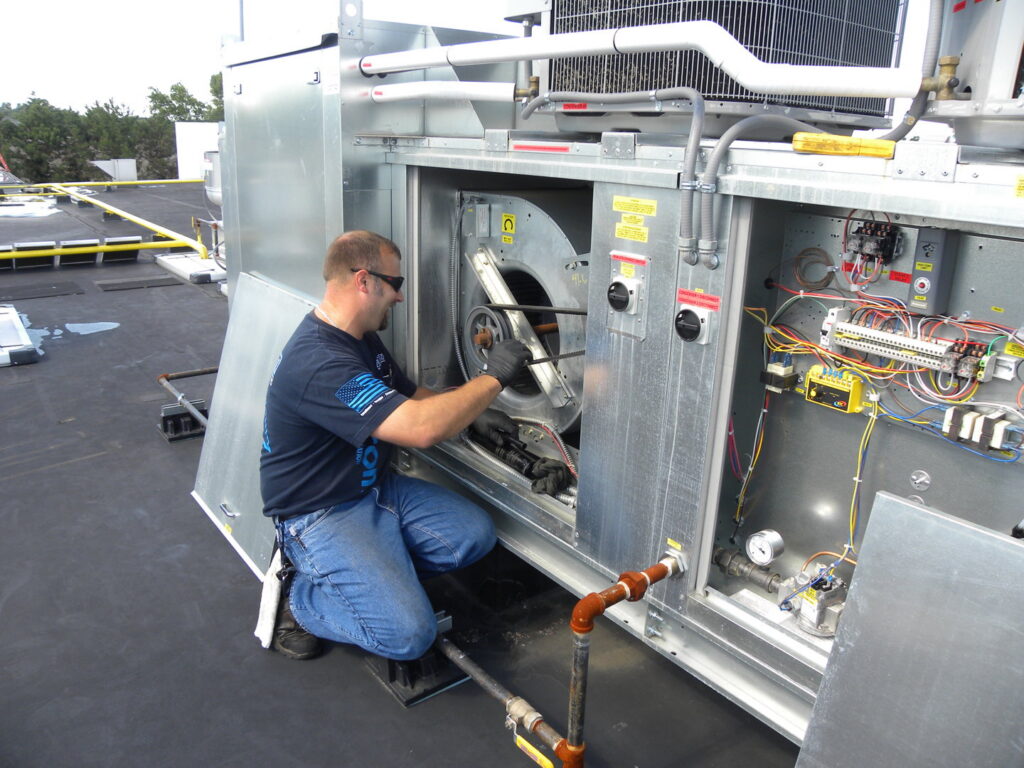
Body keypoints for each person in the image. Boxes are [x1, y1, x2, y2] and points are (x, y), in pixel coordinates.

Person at [259, 230, 531, 660]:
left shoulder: (359, 337)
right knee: (407, 636)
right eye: (396, 284)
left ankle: (375, 576)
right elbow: (419, 429)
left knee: (473, 535)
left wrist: (473, 415)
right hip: (320, 513)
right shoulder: (319, 362)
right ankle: (300, 600)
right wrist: (492, 379)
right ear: (364, 281)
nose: (400, 297)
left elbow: (409, 396)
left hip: (374, 492)